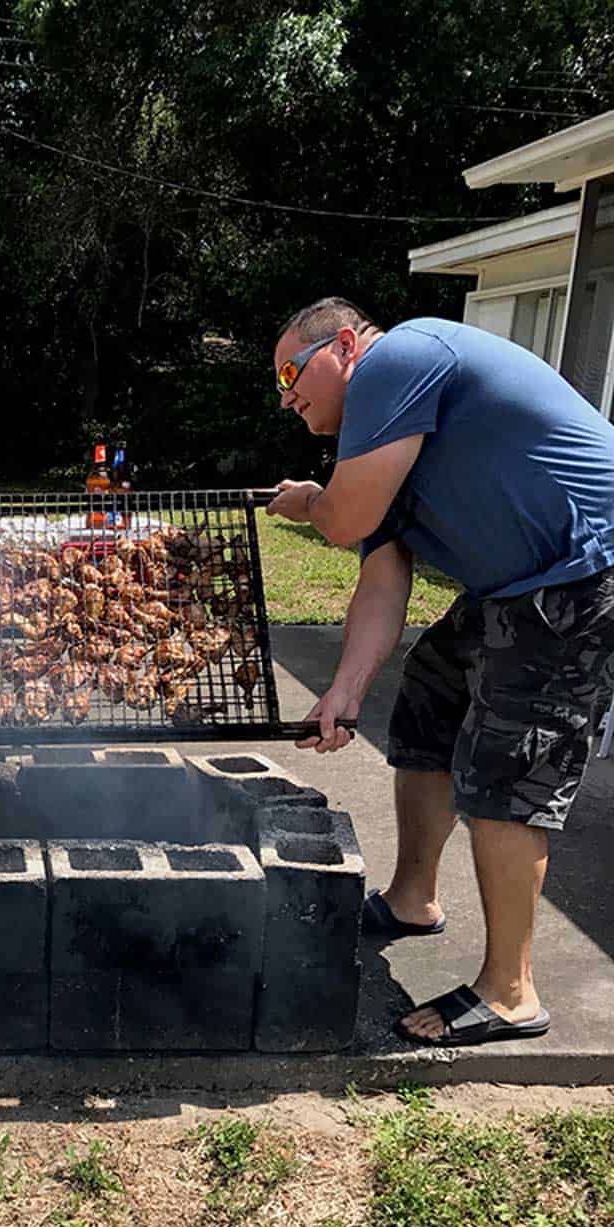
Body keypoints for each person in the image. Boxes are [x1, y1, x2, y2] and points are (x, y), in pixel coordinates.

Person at [267, 296, 614, 1048]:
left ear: (348, 345)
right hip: (514, 590)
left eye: (293, 370)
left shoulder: (401, 358)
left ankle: (511, 993)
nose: (287, 394)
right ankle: (414, 899)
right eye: (280, 385)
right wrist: (345, 692)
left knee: (507, 766)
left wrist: (310, 503)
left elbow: (346, 521)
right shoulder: (382, 439)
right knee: (428, 703)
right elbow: (382, 582)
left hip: (582, 577)